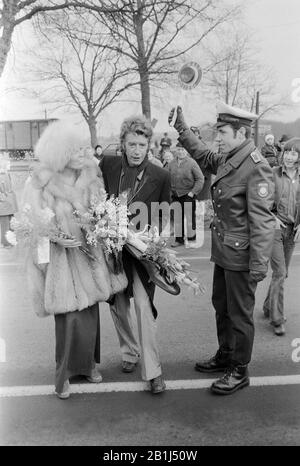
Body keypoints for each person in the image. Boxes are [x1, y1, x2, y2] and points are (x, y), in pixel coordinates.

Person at [169, 102, 276, 395]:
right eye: (217, 131)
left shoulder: (256, 167)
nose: (218, 137)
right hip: (225, 252)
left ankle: (240, 370)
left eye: (223, 132)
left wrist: (258, 265)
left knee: (240, 315)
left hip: (242, 258)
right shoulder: (231, 159)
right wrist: (181, 125)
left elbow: (263, 222)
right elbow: (202, 154)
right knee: (222, 307)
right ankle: (226, 355)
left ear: (241, 132)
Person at [23, 121, 127, 399]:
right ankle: (64, 374)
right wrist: (54, 236)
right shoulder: (42, 182)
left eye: (84, 147)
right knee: (68, 320)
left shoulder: (92, 177)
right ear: (59, 153)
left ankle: (89, 366)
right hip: (62, 262)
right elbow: (31, 223)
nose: (84, 152)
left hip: (89, 259)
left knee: (90, 316)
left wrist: (100, 224)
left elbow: (103, 212)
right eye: (76, 149)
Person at [100, 115, 171, 394]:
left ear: (148, 145)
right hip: (114, 251)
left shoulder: (162, 175)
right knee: (117, 305)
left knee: (142, 305)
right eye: (132, 144)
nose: (137, 150)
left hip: (141, 254)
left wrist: (154, 237)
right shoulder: (107, 165)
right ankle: (129, 353)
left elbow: (165, 215)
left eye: (142, 144)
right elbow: (94, 194)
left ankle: (153, 370)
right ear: (123, 144)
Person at [263, 138, 300, 336]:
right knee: (279, 272)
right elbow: (261, 200)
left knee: (282, 273)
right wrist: (272, 217)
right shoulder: (273, 173)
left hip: (292, 231)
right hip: (275, 228)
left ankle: (269, 306)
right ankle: (276, 319)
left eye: (294, 153)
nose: (289, 156)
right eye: (287, 152)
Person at [168, 142, 204, 248]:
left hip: (188, 194)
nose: (180, 151)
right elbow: (166, 177)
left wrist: (192, 192)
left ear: (187, 151)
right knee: (178, 218)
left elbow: (200, 179)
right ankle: (179, 240)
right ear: (175, 151)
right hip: (175, 195)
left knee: (189, 218)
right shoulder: (171, 163)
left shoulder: (192, 163)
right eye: (178, 149)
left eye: (183, 149)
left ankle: (191, 240)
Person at [0, 157, 18, 248]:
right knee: (5, 224)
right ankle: (6, 242)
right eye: (8, 164)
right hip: (4, 203)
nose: (10, 165)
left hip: (9, 202)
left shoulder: (7, 174)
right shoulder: (1, 175)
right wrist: (3, 198)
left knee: (11, 222)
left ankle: (10, 240)